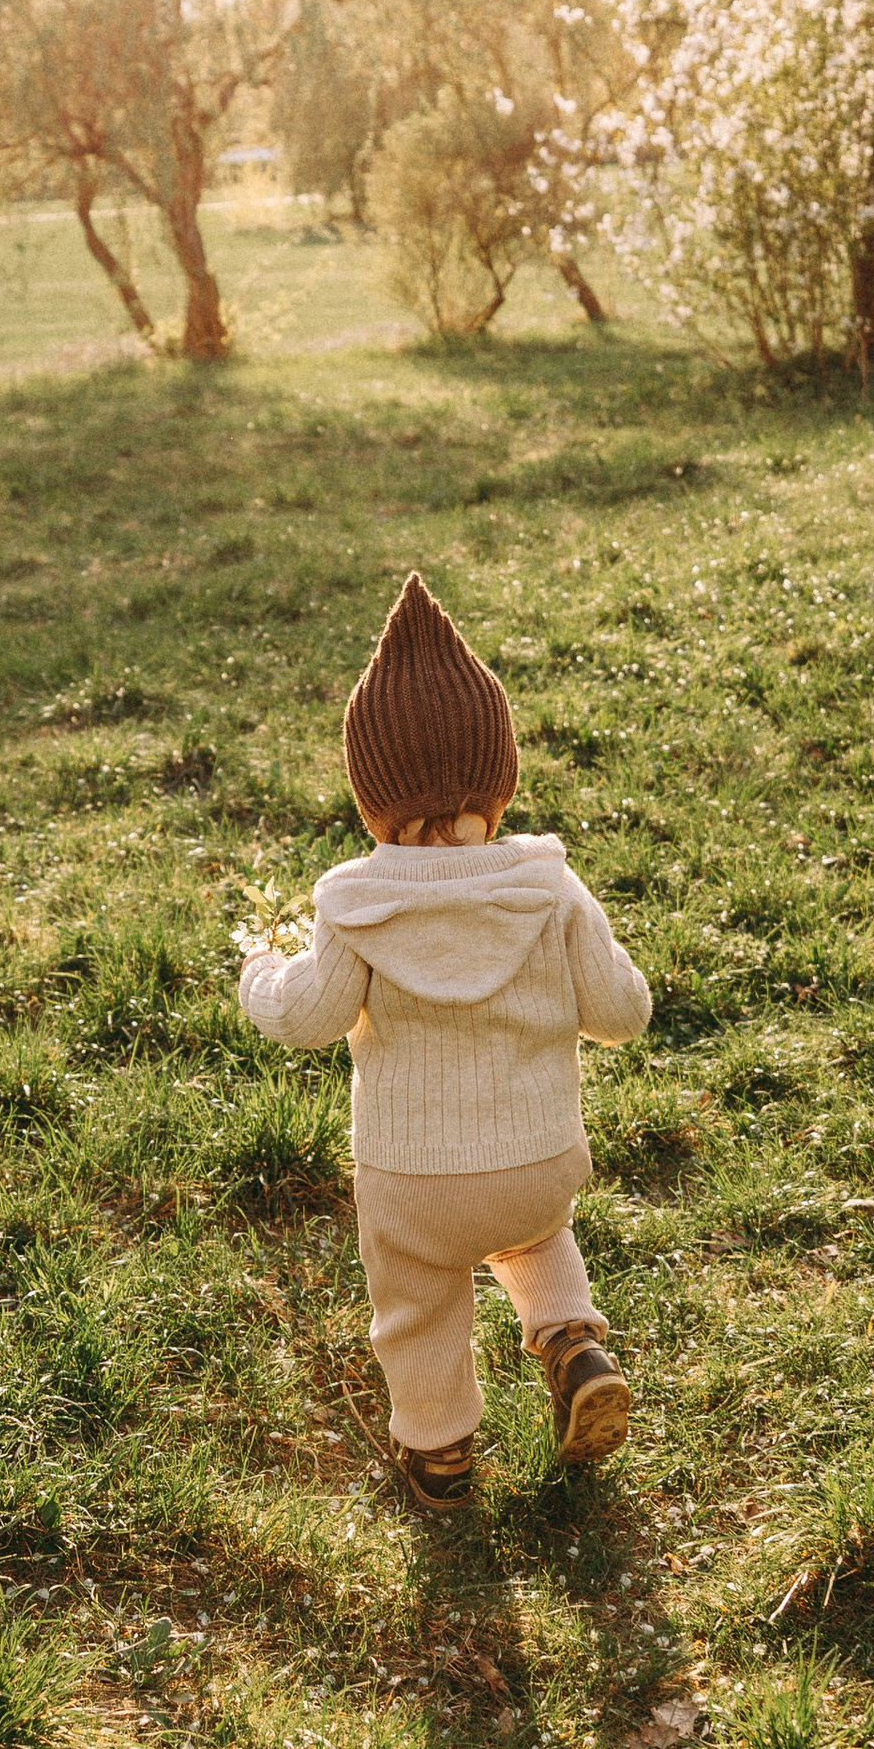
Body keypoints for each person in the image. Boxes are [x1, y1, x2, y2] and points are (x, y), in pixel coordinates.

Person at [238, 570, 652, 1510]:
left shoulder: (355, 902)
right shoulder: (550, 886)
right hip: (537, 1158)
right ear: (498, 781)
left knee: (419, 1296)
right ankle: (573, 1346)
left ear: (373, 797)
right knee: (536, 1232)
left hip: (412, 1177)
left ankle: (440, 1454)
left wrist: (260, 973)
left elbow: (307, 1018)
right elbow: (622, 1015)